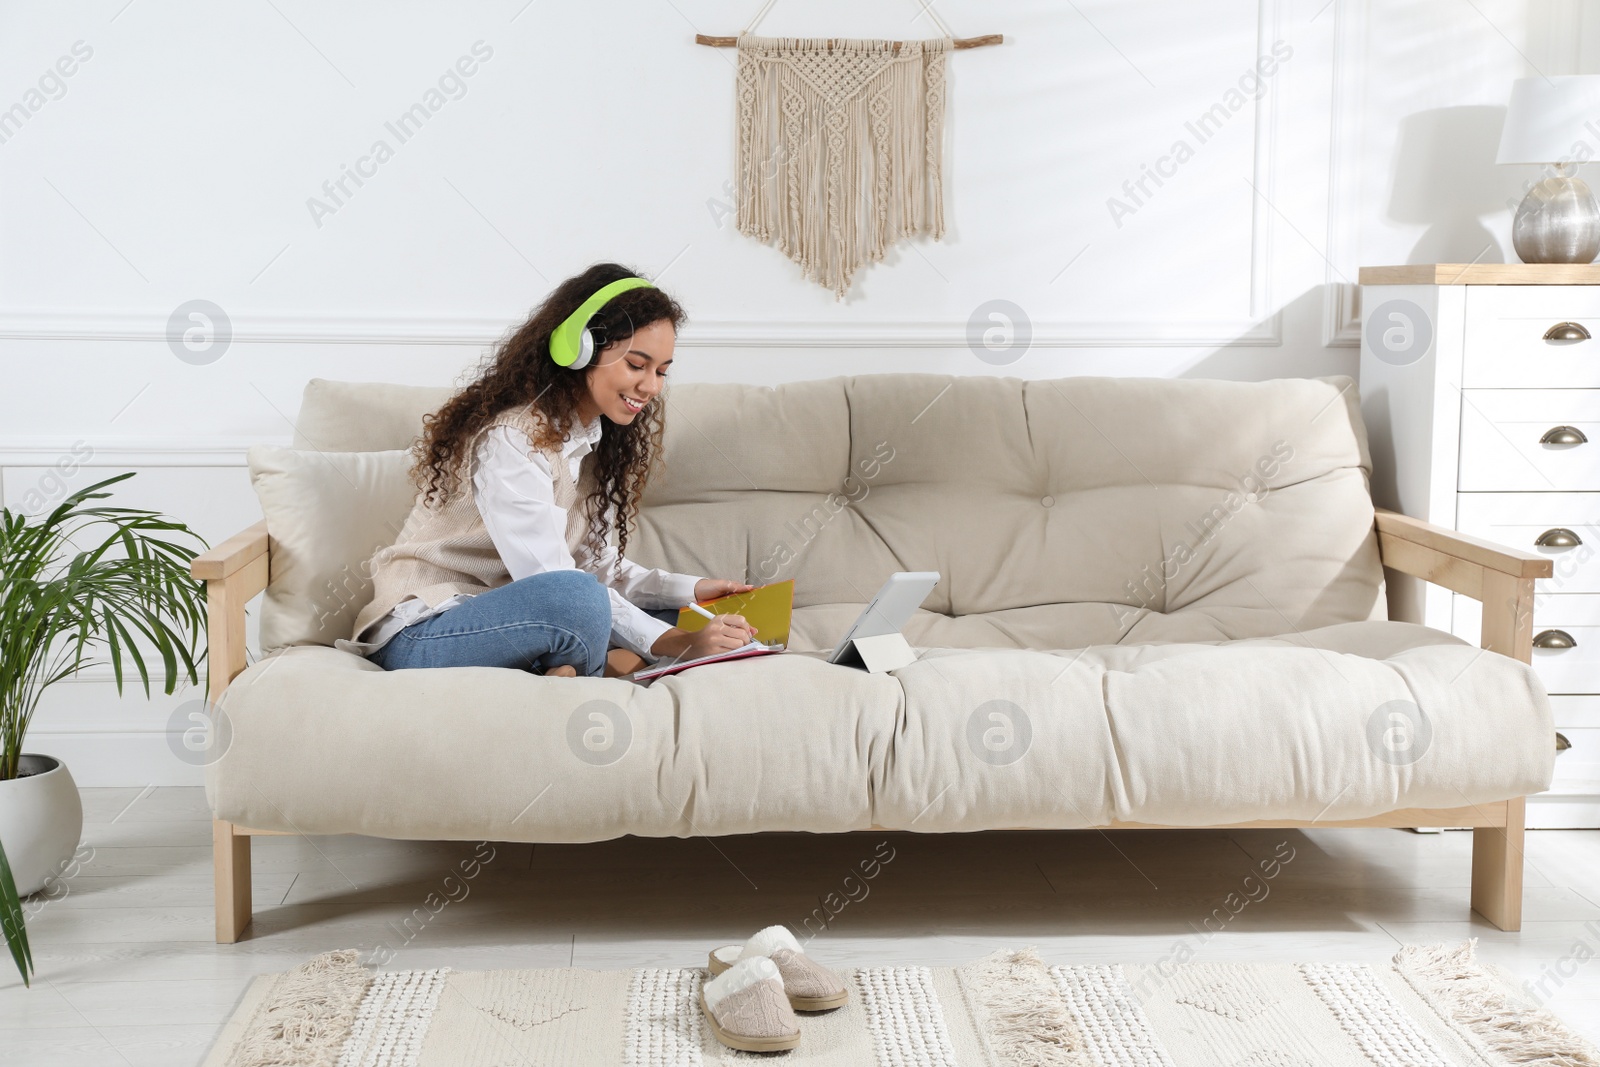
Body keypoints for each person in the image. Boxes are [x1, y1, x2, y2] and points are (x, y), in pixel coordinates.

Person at [336, 262, 758, 678]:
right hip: (426, 634)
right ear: (581, 349)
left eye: (661, 372)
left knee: (673, 611)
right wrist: (673, 640)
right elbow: (555, 582)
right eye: (637, 365)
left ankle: (574, 670)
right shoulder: (512, 438)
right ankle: (600, 669)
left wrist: (693, 590)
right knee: (579, 599)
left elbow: (597, 567)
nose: (651, 387)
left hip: (522, 624)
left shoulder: (595, 445)